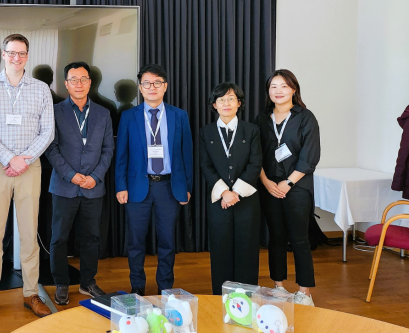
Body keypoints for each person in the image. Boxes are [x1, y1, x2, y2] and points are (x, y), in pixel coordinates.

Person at [0, 33, 55, 321]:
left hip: (30, 167)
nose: (16, 57)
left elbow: (48, 131)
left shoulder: (40, 88)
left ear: (27, 56)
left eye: (22, 53)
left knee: (29, 232)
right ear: (3, 55)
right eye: (11, 52)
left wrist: (24, 159)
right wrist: (10, 158)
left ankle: (31, 292)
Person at [114, 64, 193, 296]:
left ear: (165, 86)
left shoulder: (180, 116)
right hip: (138, 186)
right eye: (147, 83)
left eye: (157, 82)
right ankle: (137, 285)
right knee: (136, 241)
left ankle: (165, 285)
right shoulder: (129, 116)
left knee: (168, 241)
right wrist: (121, 186)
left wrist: (186, 187)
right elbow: (122, 155)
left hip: (169, 186)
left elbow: (186, 153)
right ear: (140, 87)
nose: (152, 87)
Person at [45, 61, 114, 305]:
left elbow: (108, 149)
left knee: (91, 238)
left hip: (93, 187)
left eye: (83, 79)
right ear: (65, 84)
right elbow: (50, 148)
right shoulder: (54, 111)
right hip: (64, 185)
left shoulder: (103, 113)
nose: (79, 84)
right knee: (59, 238)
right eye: (73, 79)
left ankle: (88, 282)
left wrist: (94, 177)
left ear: (90, 82)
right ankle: (61, 283)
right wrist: (71, 175)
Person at [256, 69, 320, 306]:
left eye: (283, 86)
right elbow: (256, 155)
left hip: (298, 188)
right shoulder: (261, 119)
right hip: (269, 187)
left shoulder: (305, 117)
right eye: (273, 86)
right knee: (276, 238)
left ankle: (304, 292)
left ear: (294, 89)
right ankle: (279, 287)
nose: (278, 91)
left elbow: (310, 156)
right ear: (268, 91)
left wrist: (289, 182)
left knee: (299, 239)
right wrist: (266, 181)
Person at [199, 82, 262, 295]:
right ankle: (221, 298)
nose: (226, 103)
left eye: (231, 98)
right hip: (219, 201)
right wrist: (224, 192)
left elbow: (255, 164)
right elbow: (205, 165)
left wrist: (236, 193)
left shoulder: (252, 130)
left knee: (247, 249)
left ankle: (247, 299)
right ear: (214, 105)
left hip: (246, 201)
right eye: (221, 99)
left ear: (239, 103)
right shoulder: (205, 132)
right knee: (220, 249)